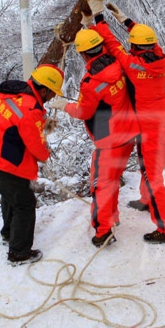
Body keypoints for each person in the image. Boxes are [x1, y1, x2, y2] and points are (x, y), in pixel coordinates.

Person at [82, 0, 165, 244]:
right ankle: (147, 201)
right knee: (151, 171)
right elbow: (149, 42)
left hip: (149, 130)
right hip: (163, 124)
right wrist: (125, 20)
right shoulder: (161, 60)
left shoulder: (133, 66)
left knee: (152, 177)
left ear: (134, 48)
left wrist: (99, 16)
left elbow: (112, 45)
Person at [46, 17, 140, 248]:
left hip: (109, 140)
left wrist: (63, 106)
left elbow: (83, 111)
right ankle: (113, 215)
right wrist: (93, 24)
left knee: (101, 185)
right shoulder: (117, 63)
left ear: (83, 54)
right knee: (113, 180)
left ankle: (103, 231)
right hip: (128, 134)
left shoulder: (91, 82)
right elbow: (110, 44)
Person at [0, 64, 64, 265]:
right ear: (43, 90)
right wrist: (45, 153)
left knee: (10, 196)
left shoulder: (13, 95)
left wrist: (41, 122)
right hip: (4, 160)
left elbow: (19, 123)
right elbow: (36, 146)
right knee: (25, 204)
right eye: (51, 94)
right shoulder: (30, 107)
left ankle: (9, 234)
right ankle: (18, 253)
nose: (51, 98)